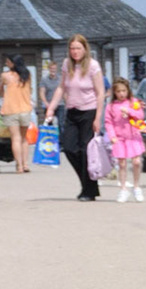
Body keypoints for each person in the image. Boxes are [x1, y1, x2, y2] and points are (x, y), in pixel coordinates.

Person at [43, 34, 105, 201]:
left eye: (78, 48)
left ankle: (89, 190)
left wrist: (98, 118)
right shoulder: (66, 65)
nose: (75, 52)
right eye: (72, 48)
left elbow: (100, 93)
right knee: (70, 148)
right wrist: (51, 107)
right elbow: (61, 88)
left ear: (85, 49)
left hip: (89, 111)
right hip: (72, 111)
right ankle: (87, 185)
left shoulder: (93, 66)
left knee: (86, 151)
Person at [105, 77, 146, 202]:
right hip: (119, 138)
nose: (121, 94)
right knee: (122, 163)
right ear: (114, 93)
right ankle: (123, 188)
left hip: (133, 136)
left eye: (124, 91)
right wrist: (112, 136)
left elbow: (140, 116)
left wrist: (129, 111)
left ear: (128, 91)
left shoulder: (133, 102)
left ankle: (136, 187)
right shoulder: (111, 106)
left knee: (136, 162)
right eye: (118, 91)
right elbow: (108, 122)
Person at [0, 57, 35, 173]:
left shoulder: (5, 76)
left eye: (8, 62)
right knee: (24, 138)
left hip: (11, 110)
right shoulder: (27, 75)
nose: (6, 64)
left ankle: (19, 166)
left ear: (13, 63)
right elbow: (30, 90)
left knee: (15, 138)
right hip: (25, 109)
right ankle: (26, 164)